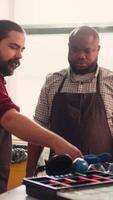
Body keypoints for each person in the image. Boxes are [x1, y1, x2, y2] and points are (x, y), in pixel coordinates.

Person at [0, 20, 82, 194]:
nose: (20, 55)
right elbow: (9, 118)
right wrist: (56, 142)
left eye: (22, 49)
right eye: (13, 47)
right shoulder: (53, 80)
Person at [26, 25, 113, 177]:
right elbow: (38, 128)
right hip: (59, 174)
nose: (81, 55)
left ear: (97, 49)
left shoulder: (110, 82)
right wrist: (29, 173)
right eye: (75, 49)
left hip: (104, 175)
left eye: (87, 50)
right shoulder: (52, 81)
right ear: (68, 47)